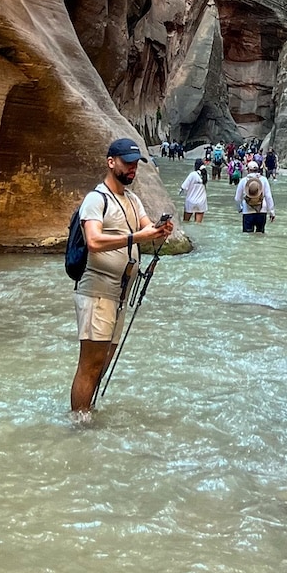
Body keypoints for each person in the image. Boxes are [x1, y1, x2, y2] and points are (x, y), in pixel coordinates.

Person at [70, 137, 172, 413]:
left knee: (103, 361)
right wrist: (138, 237)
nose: (132, 169)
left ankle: (87, 413)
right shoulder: (95, 199)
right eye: (127, 163)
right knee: (90, 364)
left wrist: (159, 230)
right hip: (97, 292)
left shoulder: (133, 200)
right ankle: (79, 422)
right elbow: (93, 241)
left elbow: (146, 228)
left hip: (120, 294)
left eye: (135, 164)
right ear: (111, 162)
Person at [235, 162, 275, 233]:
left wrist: (240, 209)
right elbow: (268, 197)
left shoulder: (243, 181)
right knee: (260, 234)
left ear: (248, 170)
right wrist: (272, 212)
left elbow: (237, 198)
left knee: (247, 235)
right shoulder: (264, 180)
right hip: (262, 211)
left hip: (247, 211)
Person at [180, 157, 208, 223]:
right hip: (201, 201)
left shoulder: (192, 174)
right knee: (198, 224)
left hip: (190, 201)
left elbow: (183, 186)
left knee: (186, 222)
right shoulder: (206, 175)